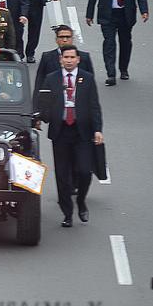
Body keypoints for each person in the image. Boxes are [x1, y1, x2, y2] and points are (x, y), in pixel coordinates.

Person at [40, 46, 103, 227]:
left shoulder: (87, 79)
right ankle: (67, 213)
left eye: (71, 57)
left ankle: (81, 201)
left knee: (84, 171)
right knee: (62, 175)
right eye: (65, 57)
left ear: (78, 59)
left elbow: (94, 106)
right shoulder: (52, 79)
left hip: (82, 132)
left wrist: (98, 129)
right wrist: (42, 116)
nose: (68, 60)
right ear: (61, 60)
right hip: (60, 132)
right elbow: (44, 102)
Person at [34, 25, 95, 92]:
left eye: (68, 37)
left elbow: (90, 83)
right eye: (61, 37)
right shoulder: (47, 57)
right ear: (56, 39)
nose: (65, 40)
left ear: (72, 39)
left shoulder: (84, 58)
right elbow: (39, 82)